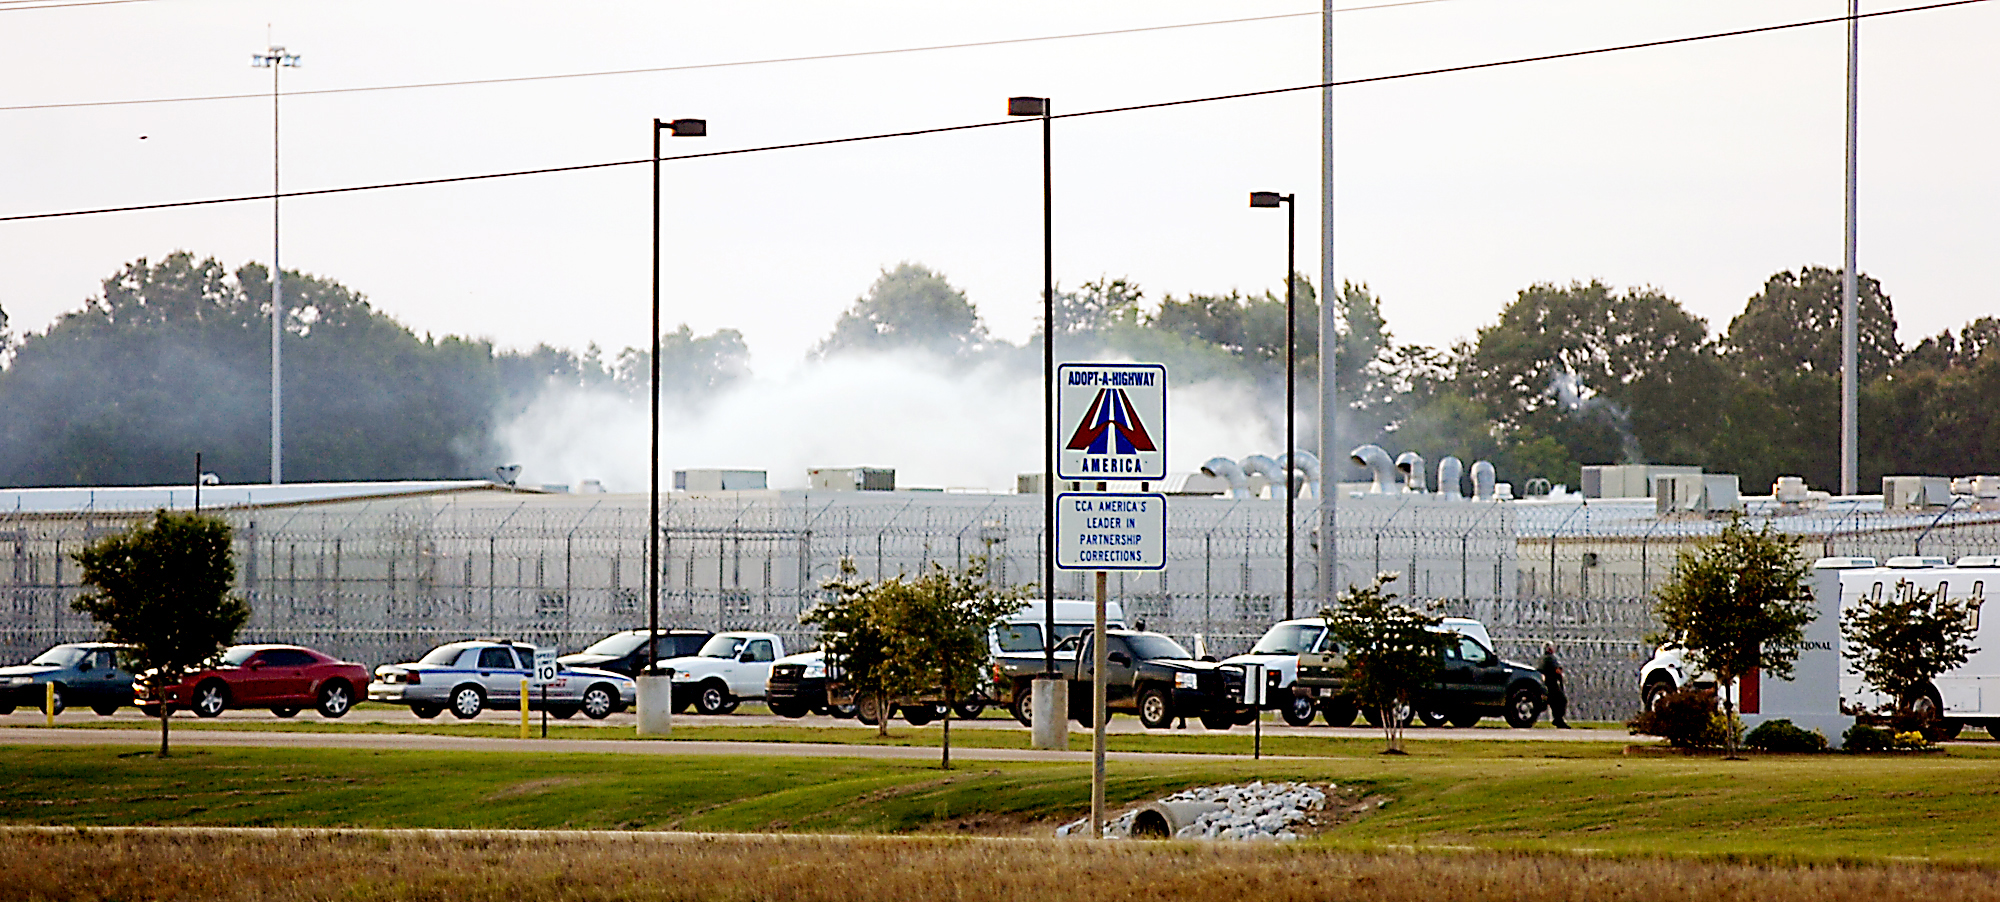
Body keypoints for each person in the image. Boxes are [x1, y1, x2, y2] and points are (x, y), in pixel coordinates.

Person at [1538, 641, 1571, 728]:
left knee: (1554, 703)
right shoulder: (1550, 658)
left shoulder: (1542, 659)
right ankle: (1558, 719)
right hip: (1551, 684)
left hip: (1544, 684)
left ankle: (1558, 720)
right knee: (1562, 700)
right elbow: (1557, 670)